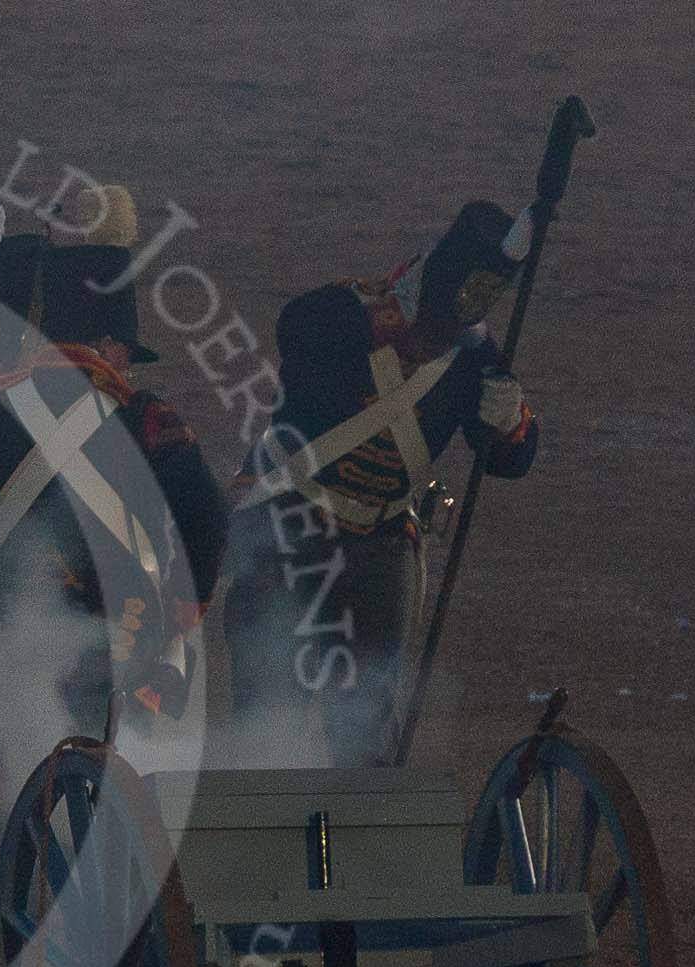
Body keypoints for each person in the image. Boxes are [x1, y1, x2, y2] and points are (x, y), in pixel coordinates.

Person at [0, 186, 228, 723]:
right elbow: (206, 516)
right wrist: (186, 613)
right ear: (112, 343)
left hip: (5, 635)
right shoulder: (145, 420)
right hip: (116, 640)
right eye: (126, 352)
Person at [222, 200, 540, 765]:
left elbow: (509, 462)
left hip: (383, 541)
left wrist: (508, 420)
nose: (439, 344)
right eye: (434, 329)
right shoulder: (346, 311)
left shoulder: (474, 358)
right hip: (293, 524)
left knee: (369, 727)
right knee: (270, 713)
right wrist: (388, 330)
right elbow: (295, 329)